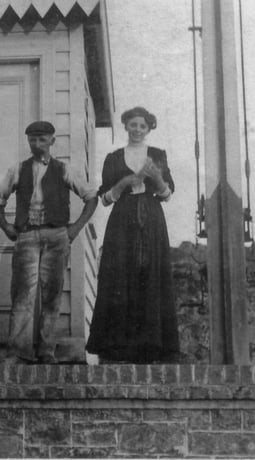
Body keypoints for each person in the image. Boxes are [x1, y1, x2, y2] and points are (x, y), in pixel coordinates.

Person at [0, 120, 97, 364]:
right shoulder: (18, 169)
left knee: (52, 295)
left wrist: (74, 230)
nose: (37, 144)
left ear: (52, 140)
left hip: (57, 236)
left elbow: (91, 197)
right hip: (27, 236)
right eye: (32, 140)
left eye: (42, 139)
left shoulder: (64, 169)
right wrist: (6, 226)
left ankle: (46, 351)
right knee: (23, 295)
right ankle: (18, 352)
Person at [86, 107, 179, 363]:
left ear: (149, 129)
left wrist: (156, 177)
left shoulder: (158, 155)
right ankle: (117, 347)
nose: (137, 130)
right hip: (122, 218)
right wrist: (125, 183)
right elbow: (104, 198)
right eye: (133, 125)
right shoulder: (114, 157)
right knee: (120, 275)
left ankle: (151, 346)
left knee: (150, 274)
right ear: (126, 126)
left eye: (143, 126)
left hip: (151, 217)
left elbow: (167, 194)